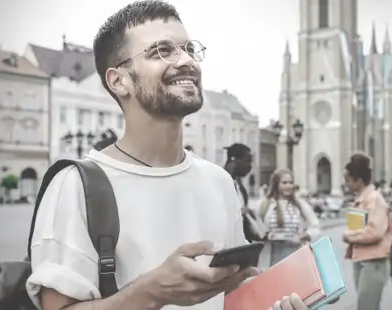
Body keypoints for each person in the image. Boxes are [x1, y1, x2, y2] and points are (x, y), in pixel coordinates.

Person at [26, 1, 307, 310]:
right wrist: (151, 292)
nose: (187, 60)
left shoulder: (219, 182)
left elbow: (234, 296)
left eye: (189, 48)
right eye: (162, 50)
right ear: (119, 81)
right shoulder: (75, 186)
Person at [342, 154, 392, 310]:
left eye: (348, 180)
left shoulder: (374, 199)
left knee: (366, 307)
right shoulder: (360, 200)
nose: (347, 185)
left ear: (358, 179)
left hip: (374, 262)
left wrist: (349, 236)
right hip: (362, 260)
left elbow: (374, 232)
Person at [259, 168, 320, 266]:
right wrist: (266, 236)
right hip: (272, 255)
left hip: (295, 254)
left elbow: (315, 226)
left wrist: (303, 236)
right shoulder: (265, 204)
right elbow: (257, 229)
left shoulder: (300, 204)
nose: (288, 186)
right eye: (284, 183)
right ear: (276, 184)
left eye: (291, 183)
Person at [223, 143, 264, 242]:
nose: (250, 166)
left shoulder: (239, 186)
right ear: (234, 160)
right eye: (248, 161)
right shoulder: (221, 183)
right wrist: (239, 212)